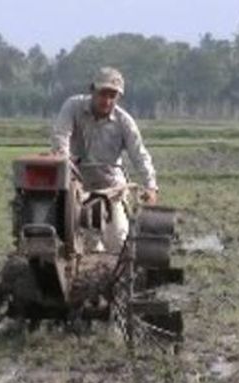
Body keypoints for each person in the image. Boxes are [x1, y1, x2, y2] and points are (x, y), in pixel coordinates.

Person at [50, 67, 158, 252]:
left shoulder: (124, 122)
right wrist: (64, 160)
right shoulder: (73, 107)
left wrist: (150, 185)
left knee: (117, 240)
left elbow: (139, 154)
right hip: (77, 186)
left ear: (118, 98)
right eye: (102, 94)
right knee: (80, 243)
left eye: (112, 96)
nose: (107, 101)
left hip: (110, 187)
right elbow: (61, 136)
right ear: (92, 90)